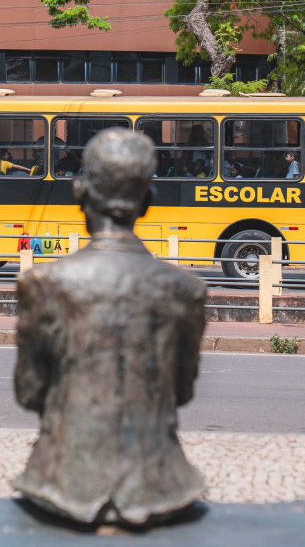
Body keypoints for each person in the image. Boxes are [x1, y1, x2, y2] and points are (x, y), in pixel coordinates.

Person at [13, 128, 206, 526]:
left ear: (79, 192)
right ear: (148, 202)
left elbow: (30, 392)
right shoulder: (187, 289)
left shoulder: (44, 285)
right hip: (162, 485)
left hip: (59, 482)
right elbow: (182, 392)